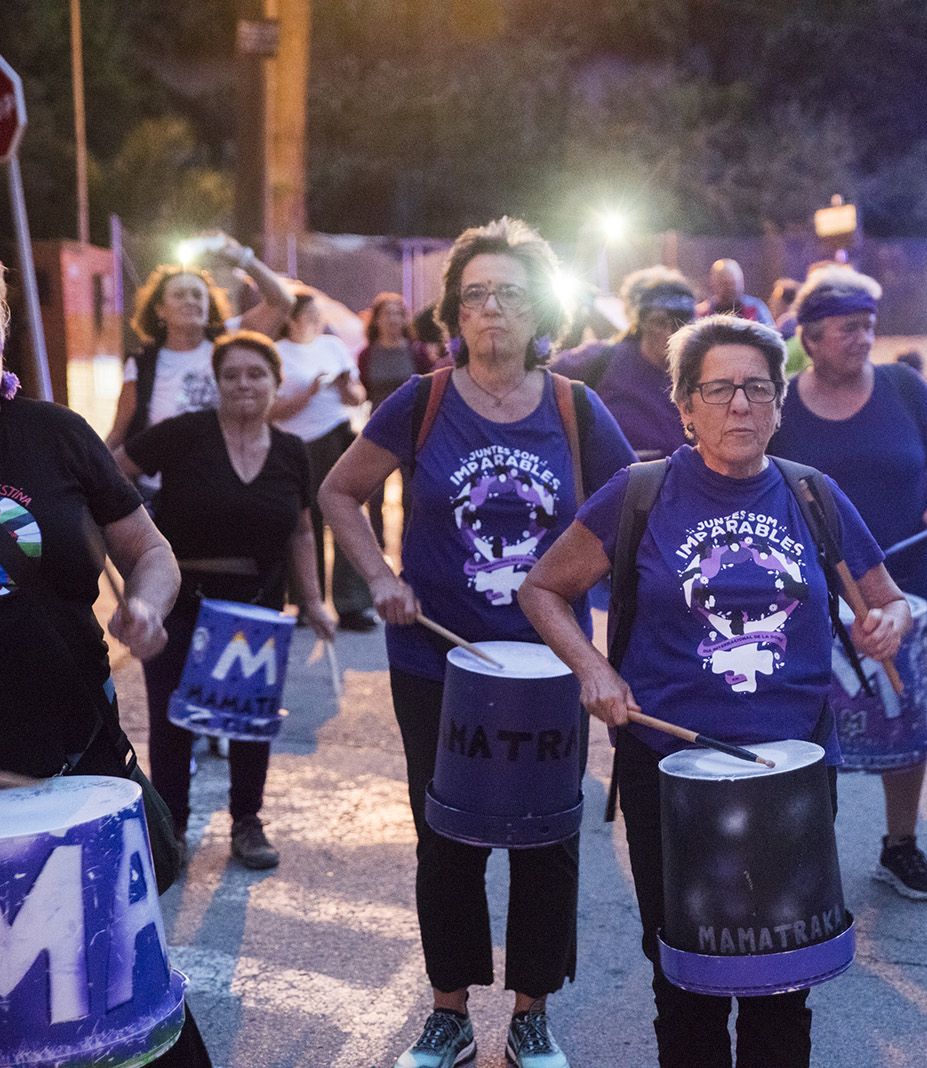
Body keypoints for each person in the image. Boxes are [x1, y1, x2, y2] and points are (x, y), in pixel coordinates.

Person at [520, 314, 909, 1068]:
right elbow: (542, 589)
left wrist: (886, 624)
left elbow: (886, 596)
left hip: (789, 775)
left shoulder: (813, 495)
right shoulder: (639, 493)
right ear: (685, 405)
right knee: (686, 984)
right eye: (720, 389)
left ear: (779, 402)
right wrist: (594, 669)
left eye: (757, 389)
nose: (740, 406)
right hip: (670, 775)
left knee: (782, 985)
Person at [319, 217, 634, 1068]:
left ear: (541, 312)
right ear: (455, 313)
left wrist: (607, 626)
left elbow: (631, 511)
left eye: (511, 294)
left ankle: (531, 1014)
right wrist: (380, 577)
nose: (492, 310)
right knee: (445, 835)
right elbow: (340, 491)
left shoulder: (576, 407)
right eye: (476, 295)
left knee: (548, 835)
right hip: (437, 661)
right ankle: (450, 1012)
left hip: (551, 663)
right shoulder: (420, 401)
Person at [0, 234, 210, 1064]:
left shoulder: (56, 435)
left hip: (78, 777)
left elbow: (152, 554)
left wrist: (147, 607)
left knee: (133, 1028)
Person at [769, 265, 927, 902]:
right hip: (812, 589)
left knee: (904, 714)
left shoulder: (902, 386)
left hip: (904, 579)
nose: (863, 339)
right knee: (809, 720)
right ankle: (809, 850)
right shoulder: (781, 400)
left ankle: (901, 844)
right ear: (808, 336)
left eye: (867, 326)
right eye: (846, 330)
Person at [114, 331, 335, 870]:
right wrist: (132, 564)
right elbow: (110, 476)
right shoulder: (182, 435)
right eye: (231, 374)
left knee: (249, 717)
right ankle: (173, 827)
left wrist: (315, 601)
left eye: (256, 374)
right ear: (215, 382)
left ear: (276, 383)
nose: (243, 384)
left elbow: (302, 532)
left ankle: (247, 822)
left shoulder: (291, 451)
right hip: (180, 598)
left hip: (257, 601)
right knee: (173, 720)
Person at [106, 234, 295, 451]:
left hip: (222, 479)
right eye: (179, 295)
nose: (190, 301)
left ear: (209, 304)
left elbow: (282, 301)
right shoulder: (142, 364)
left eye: (198, 295)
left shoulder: (229, 339)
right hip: (160, 483)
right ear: (160, 310)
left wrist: (242, 258)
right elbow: (119, 433)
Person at [269, 293, 376, 630]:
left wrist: (348, 389)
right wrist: (309, 393)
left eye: (318, 315)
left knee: (345, 515)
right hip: (296, 443)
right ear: (291, 318)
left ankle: (352, 603)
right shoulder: (279, 352)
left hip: (337, 434)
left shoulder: (332, 346)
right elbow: (270, 410)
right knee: (304, 522)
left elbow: (358, 395)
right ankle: (305, 602)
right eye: (309, 314)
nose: (316, 320)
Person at [553, 267, 696, 459]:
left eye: (682, 323)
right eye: (659, 322)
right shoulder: (601, 359)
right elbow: (537, 377)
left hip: (679, 483)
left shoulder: (698, 372)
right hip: (613, 482)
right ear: (641, 322)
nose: (671, 332)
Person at [358, 292, 443, 545]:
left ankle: (409, 547)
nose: (394, 319)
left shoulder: (416, 353)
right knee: (374, 493)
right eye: (388, 313)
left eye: (399, 313)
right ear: (377, 320)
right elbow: (365, 387)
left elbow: (430, 385)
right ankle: (377, 548)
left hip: (413, 427)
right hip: (378, 426)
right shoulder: (367, 354)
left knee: (411, 494)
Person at [696, 258, 774, 326]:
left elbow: (772, 338)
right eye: (726, 284)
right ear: (713, 284)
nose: (733, 288)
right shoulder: (702, 313)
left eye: (735, 283)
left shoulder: (756, 308)